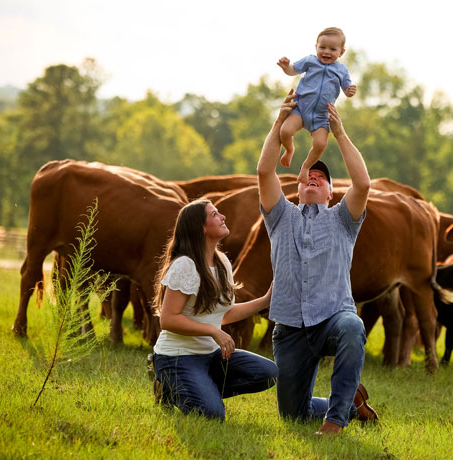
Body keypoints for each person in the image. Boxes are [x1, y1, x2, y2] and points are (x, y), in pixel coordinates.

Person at [256, 91, 378, 435]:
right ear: (295, 188)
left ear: (330, 194)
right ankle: (350, 405)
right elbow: (264, 170)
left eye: (321, 178)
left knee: (353, 327)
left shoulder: (343, 219)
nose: (313, 176)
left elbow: (364, 183)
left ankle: (335, 423)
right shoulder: (280, 217)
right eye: (308, 174)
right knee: (293, 417)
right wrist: (279, 123)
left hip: (332, 318)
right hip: (290, 329)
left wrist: (339, 133)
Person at [151, 199, 278, 420]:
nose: (223, 217)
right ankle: (171, 388)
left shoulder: (221, 263)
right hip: (178, 358)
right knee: (212, 414)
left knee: (268, 374)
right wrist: (213, 331)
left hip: (210, 356)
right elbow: (168, 320)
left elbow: (224, 314)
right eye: (215, 214)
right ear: (201, 227)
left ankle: (196, 389)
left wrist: (266, 300)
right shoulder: (185, 265)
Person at [277, 26, 357, 185]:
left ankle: (305, 167)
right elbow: (293, 70)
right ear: (316, 47)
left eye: (332, 49)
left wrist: (350, 91)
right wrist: (286, 67)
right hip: (300, 109)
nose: (326, 52)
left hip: (321, 116)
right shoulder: (310, 61)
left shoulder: (341, 69)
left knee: (320, 144)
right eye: (322, 47)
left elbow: (347, 89)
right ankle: (289, 149)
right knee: (285, 131)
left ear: (341, 52)